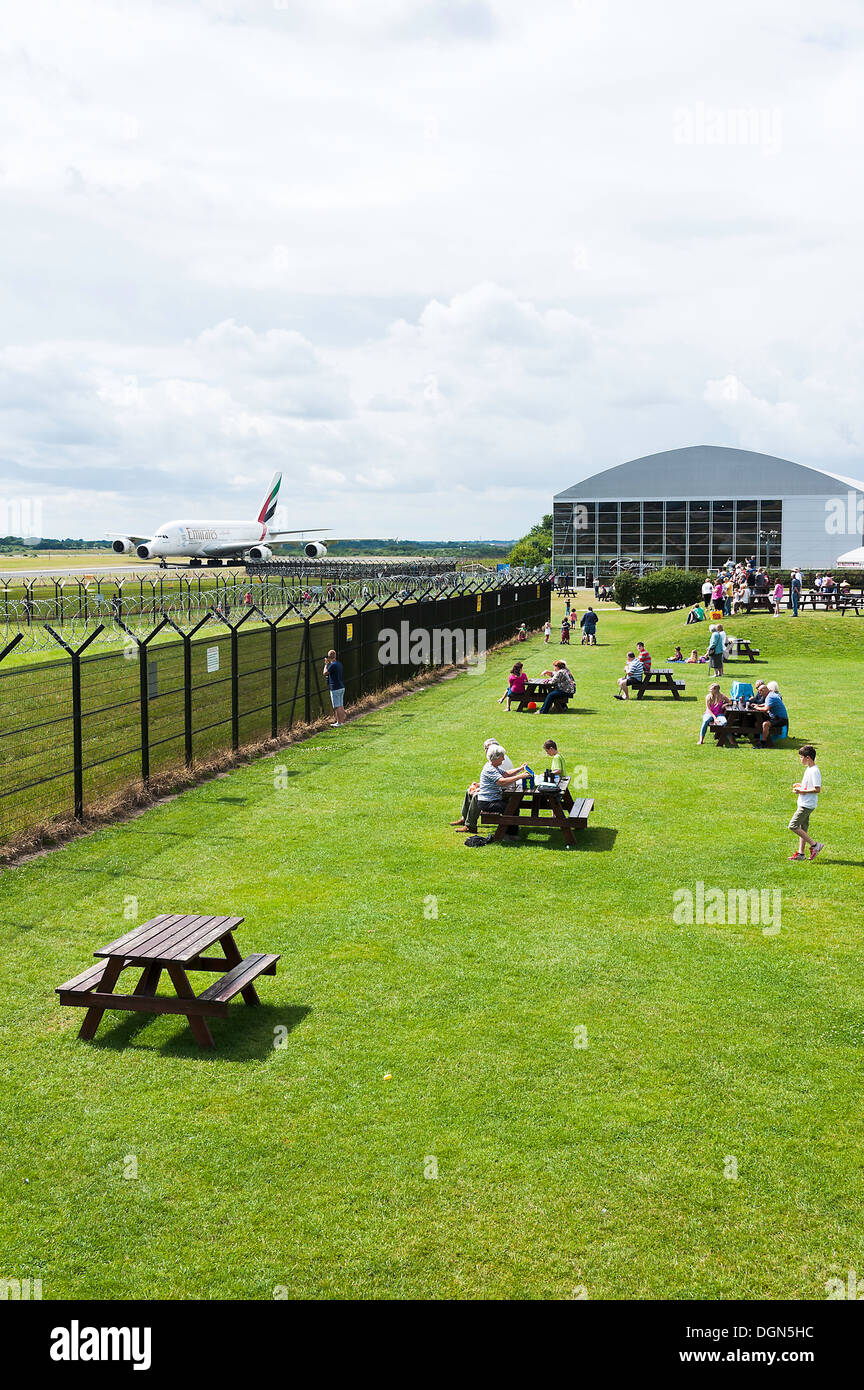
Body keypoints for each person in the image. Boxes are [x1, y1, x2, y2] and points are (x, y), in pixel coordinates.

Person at [452, 739, 514, 830]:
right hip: (496, 787)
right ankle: (464, 818)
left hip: (503, 790)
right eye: (485, 748)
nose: (486, 751)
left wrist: (480, 789)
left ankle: (470, 825)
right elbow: (492, 779)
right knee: (469, 791)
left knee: (477, 796)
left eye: (488, 748)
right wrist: (479, 785)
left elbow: (501, 781)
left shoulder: (500, 761)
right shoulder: (494, 760)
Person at [788, 745, 823, 861]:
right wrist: (801, 786)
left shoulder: (814, 771)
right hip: (804, 802)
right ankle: (801, 854)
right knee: (803, 828)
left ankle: (815, 845)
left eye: (801, 757)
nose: (800, 759)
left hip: (807, 805)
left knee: (793, 826)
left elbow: (817, 789)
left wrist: (801, 790)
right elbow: (810, 785)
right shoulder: (809, 769)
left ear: (808, 757)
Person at [751, 679, 788, 747]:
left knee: (765, 724)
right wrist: (758, 705)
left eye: (760, 692)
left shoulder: (770, 697)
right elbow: (767, 704)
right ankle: (758, 738)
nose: (760, 694)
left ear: (764, 691)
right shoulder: (770, 694)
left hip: (781, 719)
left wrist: (756, 708)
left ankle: (763, 742)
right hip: (776, 717)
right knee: (758, 721)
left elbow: (766, 709)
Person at [323, 649, 346, 725]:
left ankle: (339, 723)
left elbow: (325, 673)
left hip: (335, 688)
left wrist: (326, 664)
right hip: (341, 687)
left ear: (329, 657)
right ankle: (341, 721)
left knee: (337, 706)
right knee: (341, 705)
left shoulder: (332, 665)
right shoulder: (339, 664)